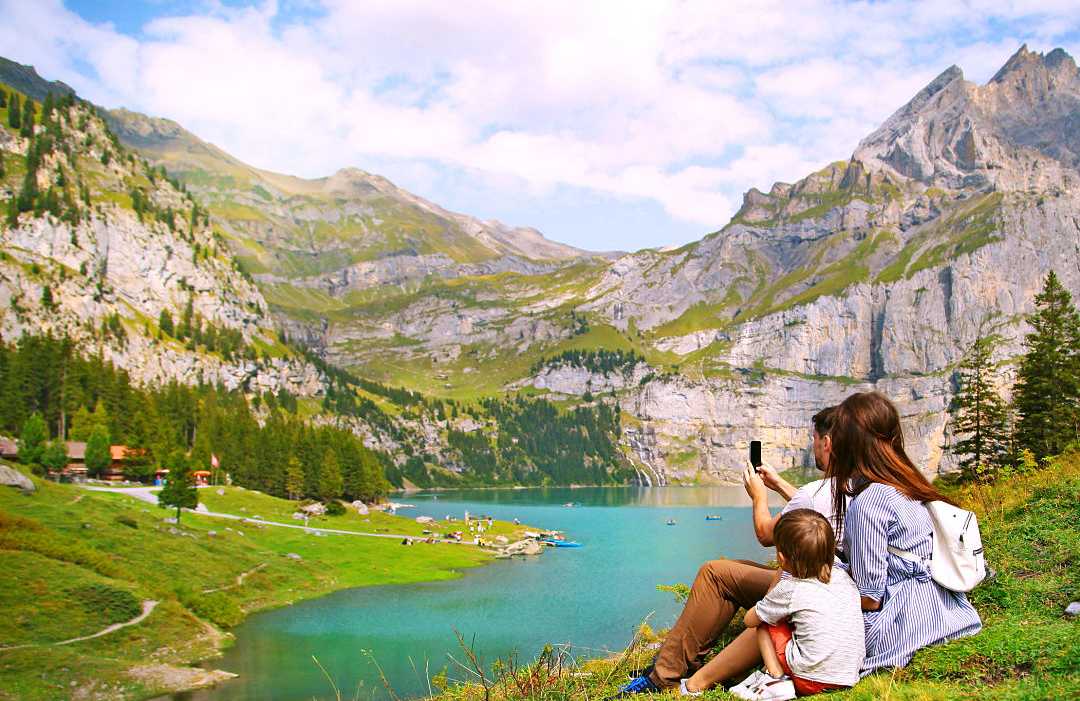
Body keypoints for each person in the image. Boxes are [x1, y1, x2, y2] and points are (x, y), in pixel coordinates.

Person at [616, 408, 841, 695]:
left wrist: (759, 495)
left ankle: (664, 677)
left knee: (715, 574)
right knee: (733, 567)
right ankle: (683, 660)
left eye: (814, 438)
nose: (813, 446)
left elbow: (766, 534)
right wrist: (779, 484)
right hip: (830, 582)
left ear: (827, 442)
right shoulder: (849, 484)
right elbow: (812, 504)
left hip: (810, 586)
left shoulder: (818, 491)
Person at [828, 392, 981, 675]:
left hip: (901, 626)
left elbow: (870, 598)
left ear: (847, 445)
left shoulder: (868, 503)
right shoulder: (908, 486)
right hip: (948, 612)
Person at [680, 509, 864, 699]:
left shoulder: (790, 588)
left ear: (782, 559)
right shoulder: (843, 578)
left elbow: (750, 620)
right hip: (847, 676)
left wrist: (764, 604)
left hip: (811, 680)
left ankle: (776, 679)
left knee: (764, 623)